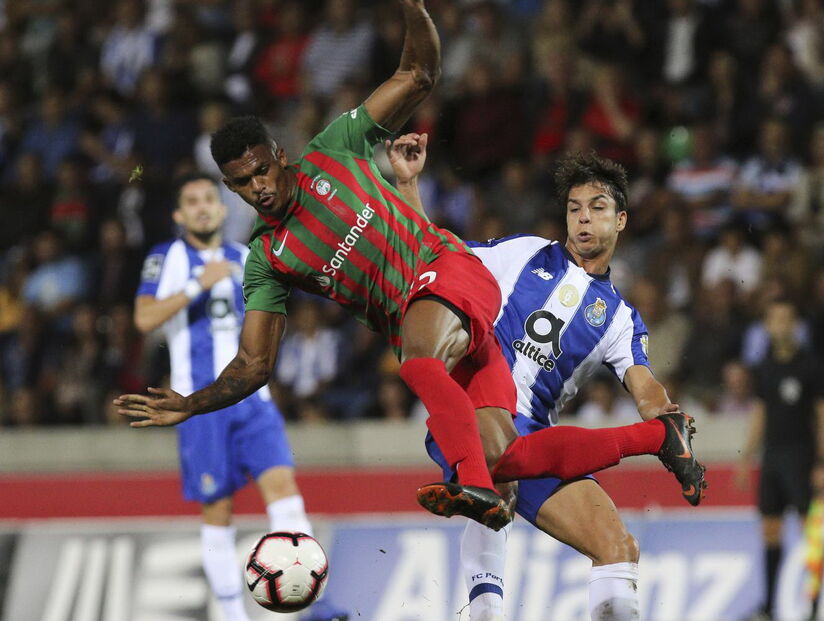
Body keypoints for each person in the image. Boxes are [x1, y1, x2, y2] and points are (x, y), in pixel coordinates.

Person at [116, 0, 704, 534]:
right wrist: (192, 403)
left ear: (280, 155)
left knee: (418, 362)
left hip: (449, 272)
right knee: (508, 454)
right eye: (242, 184)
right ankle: (656, 438)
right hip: (437, 326)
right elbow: (253, 363)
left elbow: (417, 75)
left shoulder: (334, 148)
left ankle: (472, 483)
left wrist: (413, 9)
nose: (258, 189)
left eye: (261, 172)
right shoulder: (267, 260)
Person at [389, 135, 707, 621]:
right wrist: (409, 183)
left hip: (537, 438)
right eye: (575, 208)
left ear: (620, 220)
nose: (583, 217)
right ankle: (484, 613)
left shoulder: (619, 317)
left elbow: (644, 385)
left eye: (597, 208)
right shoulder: (524, 253)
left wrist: (666, 416)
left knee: (617, 545)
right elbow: (434, 251)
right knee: (500, 470)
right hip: (475, 408)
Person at [133, 173, 348, 621]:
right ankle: (232, 614)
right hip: (200, 404)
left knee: (284, 488)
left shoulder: (247, 255)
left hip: (252, 399)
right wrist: (198, 284)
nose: (202, 206)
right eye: (191, 201)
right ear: (179, 214)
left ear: (223, 207)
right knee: (218, 507)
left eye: (209, 198)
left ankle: (315, 606)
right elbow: (144, 317)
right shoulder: (166, 257)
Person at [734, 299, 824, 621]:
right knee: (771, 530)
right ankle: (769, 607)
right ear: (767, 325)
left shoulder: (811, 366)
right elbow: (761, 413)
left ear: (795, 325)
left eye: (786, 319)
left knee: (812, 533)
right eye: (774, 319)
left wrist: (823, 462)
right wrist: (747, 457)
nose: (780, 325)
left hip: (803, 458)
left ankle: (816, 608)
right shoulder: (765, 367)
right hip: (772, 459)